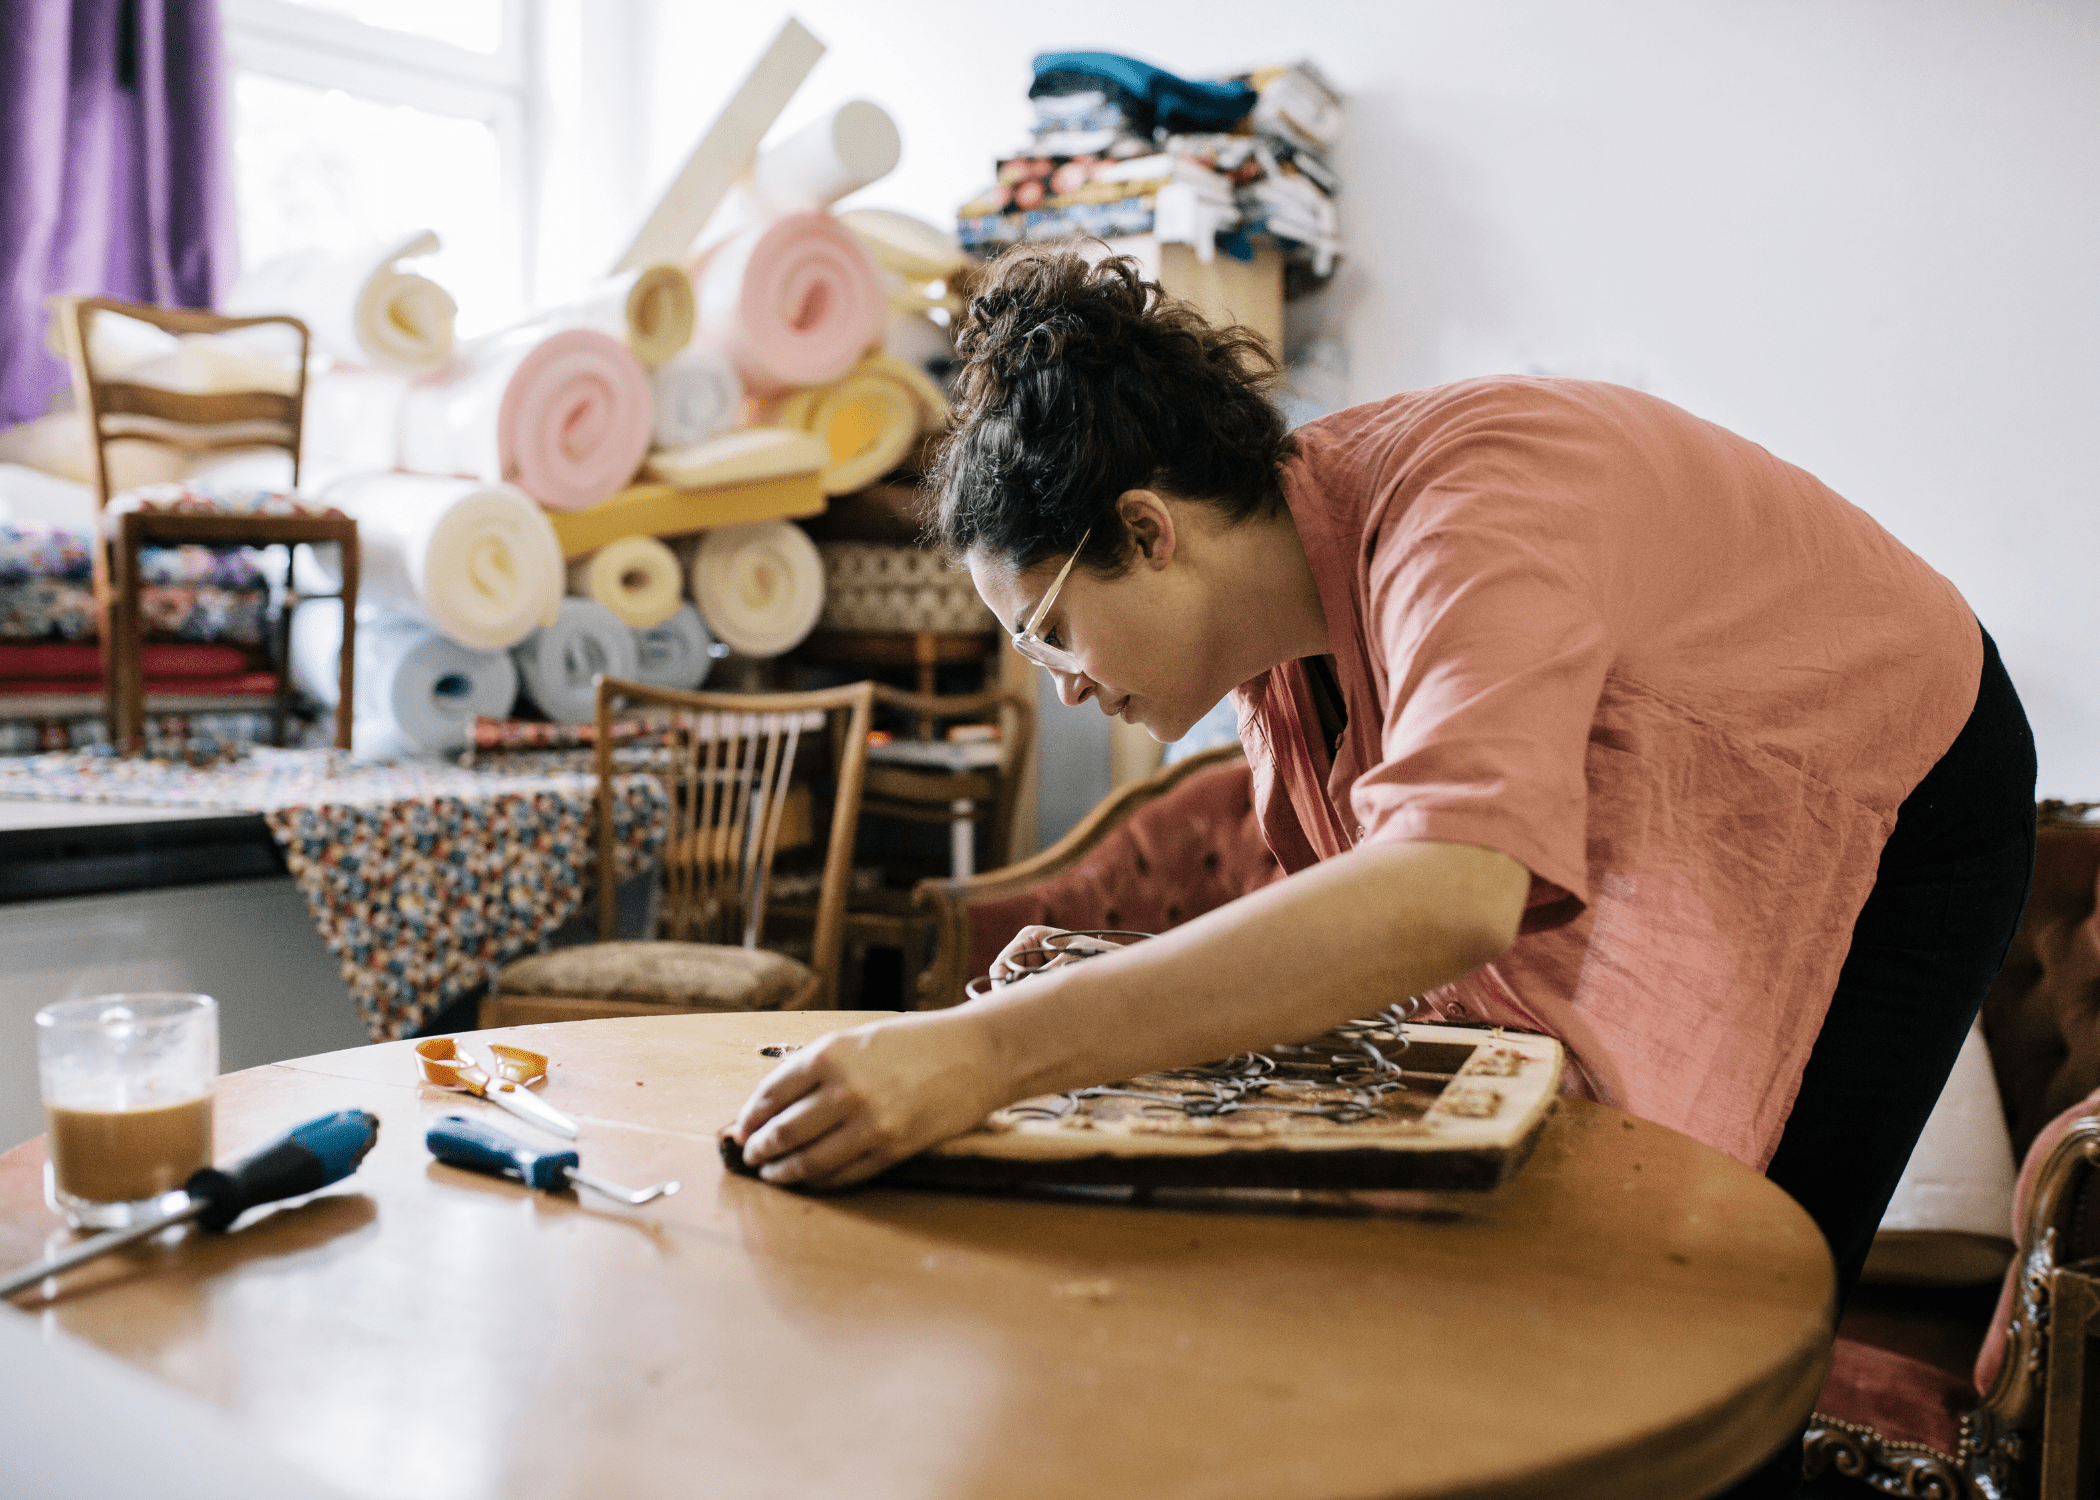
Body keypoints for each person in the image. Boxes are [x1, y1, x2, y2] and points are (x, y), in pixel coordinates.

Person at [729, 246, 2035, 1490]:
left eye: (1051, 631)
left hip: (1911, 777)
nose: (1064, 687)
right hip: (1730, 723)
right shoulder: (1285, 640)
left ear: (1150, 530)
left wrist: (987, 1049)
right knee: (1553, 1227)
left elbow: (1446, 893)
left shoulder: (1469, 505)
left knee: (1729, 1303)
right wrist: (1100, 990)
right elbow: (1357, 920)